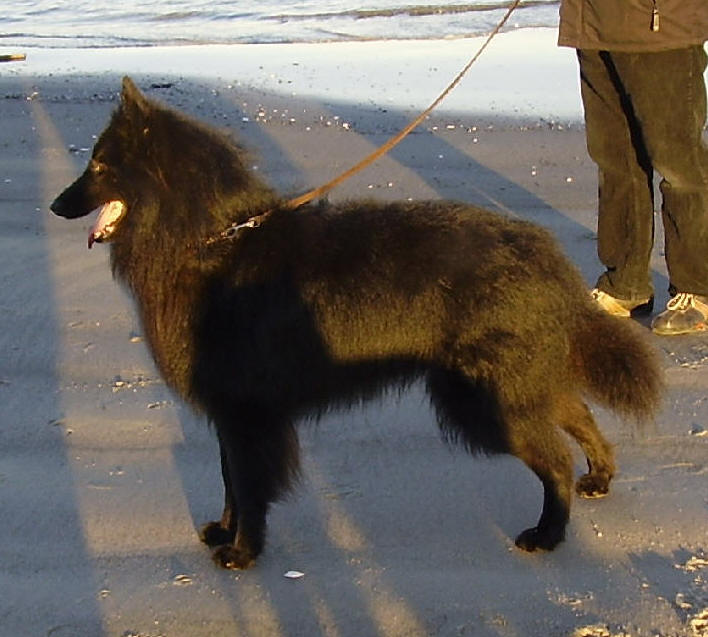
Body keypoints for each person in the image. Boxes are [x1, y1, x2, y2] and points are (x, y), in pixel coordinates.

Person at [558, 0, 708, 335]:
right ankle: (625, 284)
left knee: (678, 162)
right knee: (615, 161)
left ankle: (699, 289)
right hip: (592, 24)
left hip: (661, 25)